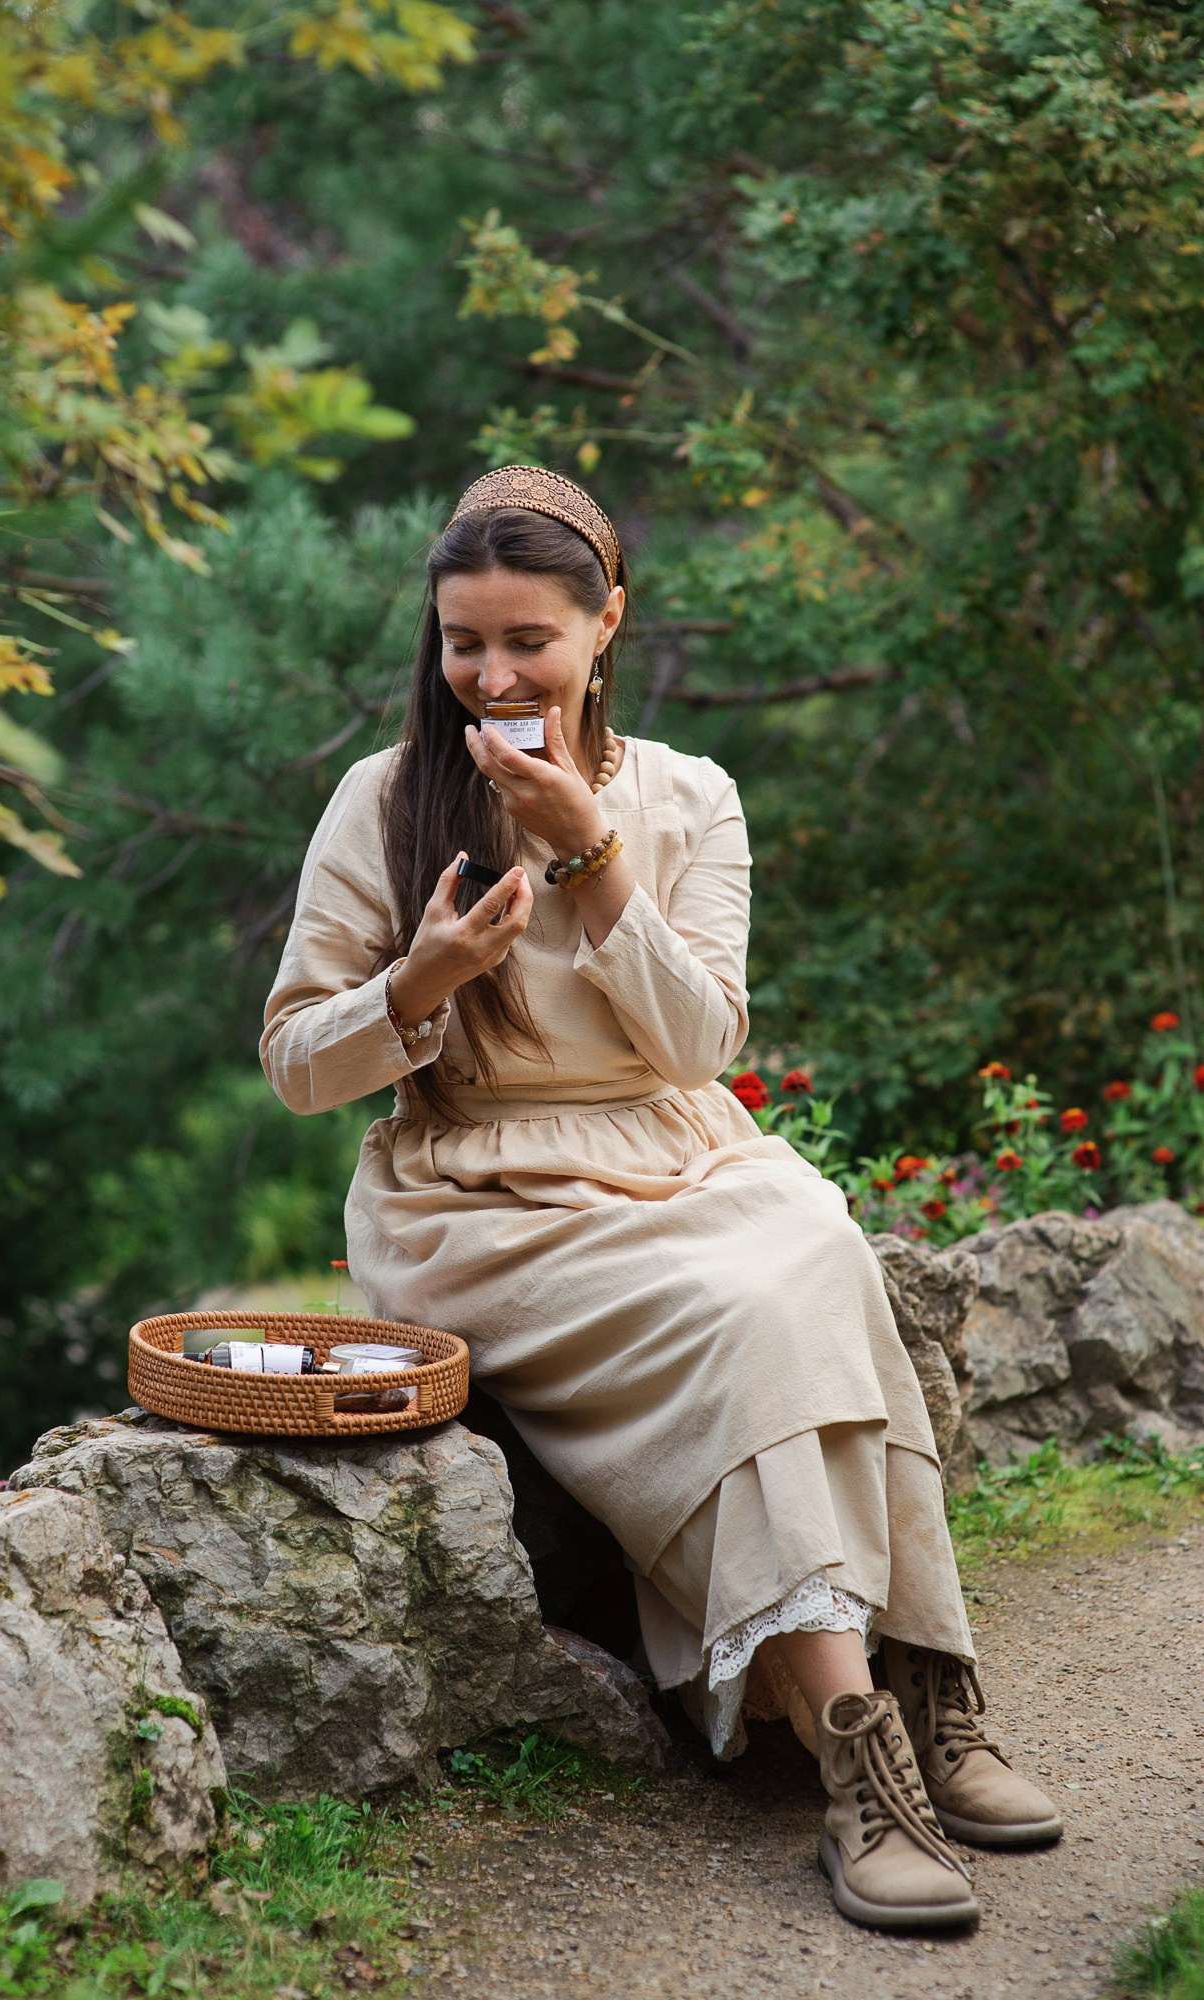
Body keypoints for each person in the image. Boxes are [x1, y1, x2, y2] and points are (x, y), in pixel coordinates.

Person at [260, 463, 1062, 1931]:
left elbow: (702, 1045)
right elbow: (299, 1066)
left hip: (681, 1149)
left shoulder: (688, 795)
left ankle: (927, 1681)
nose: (490, 676)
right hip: (478, 1198)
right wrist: (423, 980)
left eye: (526, 641)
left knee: (816, 1248)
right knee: (753, 1307)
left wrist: (586, 849)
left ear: (605, 624)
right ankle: (860, 1746)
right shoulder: (382, 801)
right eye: (461, 644)